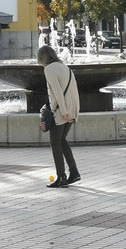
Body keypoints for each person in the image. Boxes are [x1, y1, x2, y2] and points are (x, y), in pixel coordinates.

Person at [40, 44, 80, 188]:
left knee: (55, 142)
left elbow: (56, 92)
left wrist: (64, 112)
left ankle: (61, 177)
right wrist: (74, 112)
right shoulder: (65, 67)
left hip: (61, 111)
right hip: (71, 109)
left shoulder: (49, 69)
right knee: (62, 140)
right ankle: (74, 172)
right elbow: (74, 90)